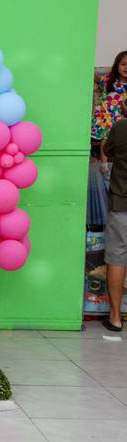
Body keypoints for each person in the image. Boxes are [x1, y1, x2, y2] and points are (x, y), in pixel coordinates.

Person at [103, 118, 127, 331]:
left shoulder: (122, 126)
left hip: (121, 202)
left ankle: (116, 318)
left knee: (118, 257)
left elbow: (107, 150)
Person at [92, 51, 127, 162]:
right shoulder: (108, 80)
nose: (126, 68)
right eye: (123, 64)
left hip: (121, 118)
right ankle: (104, 165)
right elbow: (96, 77)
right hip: (105, 118)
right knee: (106, 134)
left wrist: (122, 104)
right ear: (117, 66)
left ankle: (115, 163)